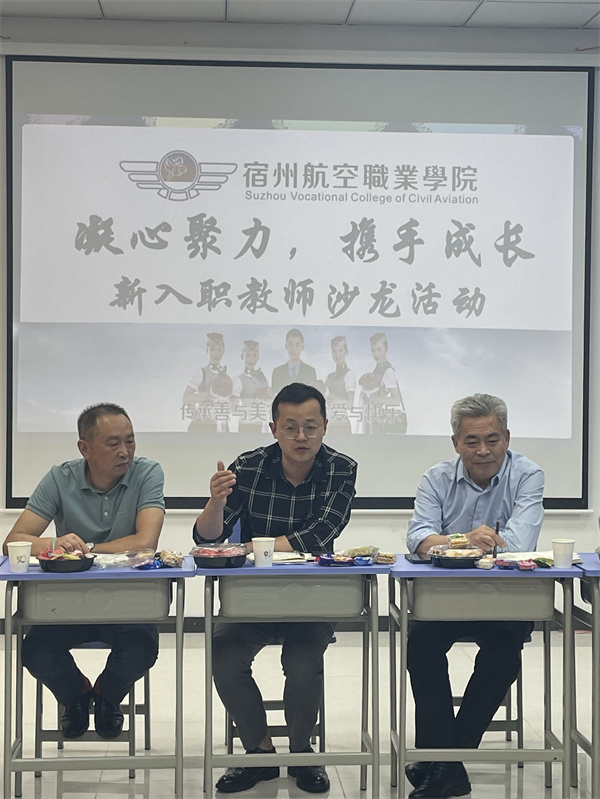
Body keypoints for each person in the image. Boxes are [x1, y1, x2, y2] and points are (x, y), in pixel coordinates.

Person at [193, 383, 357, 794]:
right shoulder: (248, 467)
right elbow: (208, 538)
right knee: (224, 656)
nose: (301, 437)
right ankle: (259, 753)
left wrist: (253, 548)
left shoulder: (341, 468)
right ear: (273, 429)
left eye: (310, 427)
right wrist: (215, 503)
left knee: (303, 663)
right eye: (290, 427)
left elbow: (321, 534)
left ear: (324, 427)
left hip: (312, 597)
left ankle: (302, 754)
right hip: (252, 598)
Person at [405, 393, 544, 799]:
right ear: (456, 443)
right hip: (445, 598)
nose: (483, 450)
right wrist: (464, 539)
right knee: (421, 648)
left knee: (503, 654)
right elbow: (417, 538)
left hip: (505, 598)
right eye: (472, 441)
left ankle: (442, 762)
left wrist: (445, 543)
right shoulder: (435, 478)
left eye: (492, 439)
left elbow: (519, 543)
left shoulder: (528, 475)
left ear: (506, 438)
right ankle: (445, 765)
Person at [3, 403, 165, 741]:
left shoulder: (147, 473)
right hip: (68, 601)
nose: (125, 452)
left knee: (141, 649)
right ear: (84, 448)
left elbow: (145, 542)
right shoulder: (60, 478)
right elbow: (14, 542)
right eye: (113, 443)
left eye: (130, 441)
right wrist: (54, 543)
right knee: (35, 652)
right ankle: (76, 694)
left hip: (127, 601)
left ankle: (107, 697)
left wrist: (86, 549)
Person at [358, 332, 406, 434]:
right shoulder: (376, 371)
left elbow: (396, 400)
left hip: (383, 423)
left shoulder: (388, 371)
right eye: (373, 350)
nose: (376, 354)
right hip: (374, 420)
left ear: (386, 349)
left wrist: (375, 400)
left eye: (379, 349)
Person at [183, 332, 232, 432]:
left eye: (219, 349)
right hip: (203, 424)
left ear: (223, 351)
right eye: (212, 349)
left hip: (221, 424)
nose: (216, 353)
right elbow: (186, 398)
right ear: (207, 351)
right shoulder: (202, 373)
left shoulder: (227, 377)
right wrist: (207, 395)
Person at [324, 335, 356, 433]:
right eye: (334, 351)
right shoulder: (329, 377)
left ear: (346, 352)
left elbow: (350, 404)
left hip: (342, 424)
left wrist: (333, 397)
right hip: (329, 423)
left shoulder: (349, 374)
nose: (337, 355)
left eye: (340, 351)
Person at [271, 329, 317, 394]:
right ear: (286, 346)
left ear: (302, 347)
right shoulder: (277, 372)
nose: (293, 349)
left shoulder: (310, 371)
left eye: (297, 345)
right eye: (290, 345)